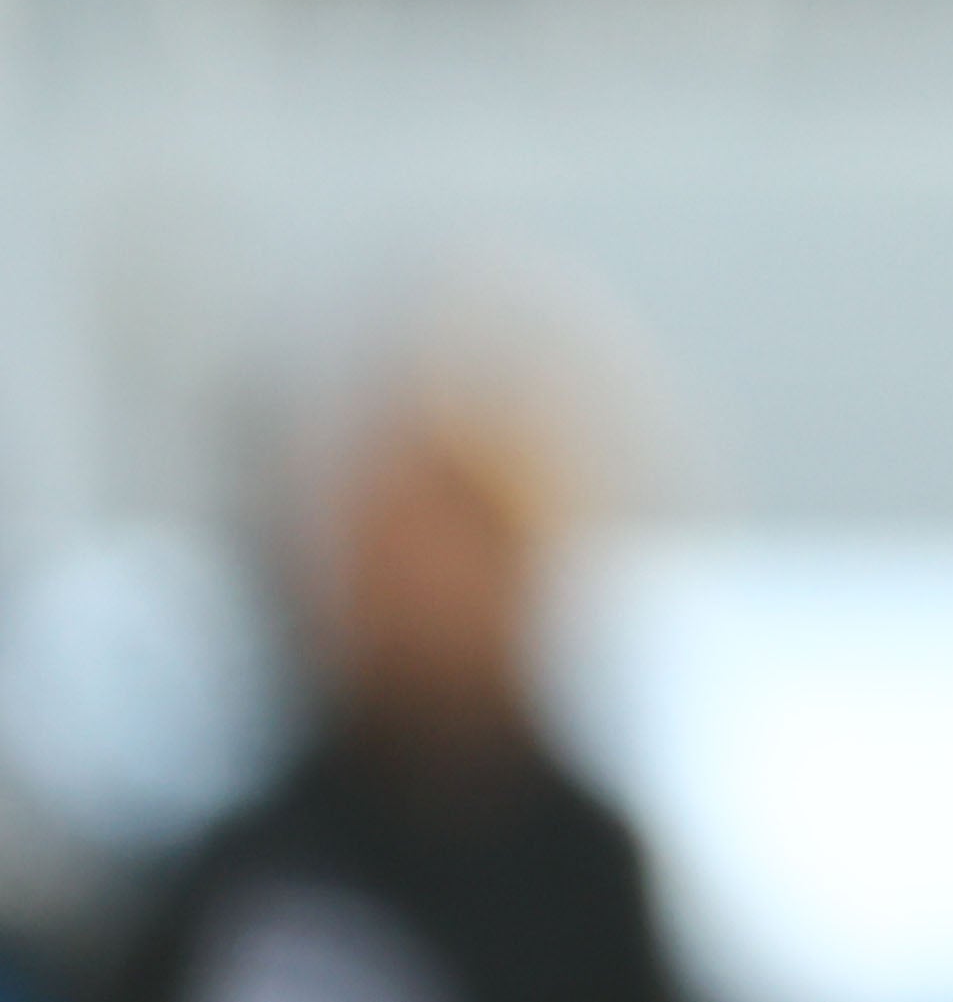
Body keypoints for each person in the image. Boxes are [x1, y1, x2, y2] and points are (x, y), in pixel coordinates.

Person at [102, 386, 682, 1002]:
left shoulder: (582, 869)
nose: (422, 592)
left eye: (455, 554)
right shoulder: (262, 863)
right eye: (391, 555)